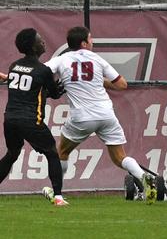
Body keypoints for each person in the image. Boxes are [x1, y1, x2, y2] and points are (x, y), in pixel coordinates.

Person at [44, 26, 157, 204]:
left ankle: (56, 191)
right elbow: (122, 84)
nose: (92, 42)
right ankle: (143, 176)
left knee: (62, 152)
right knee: (120, 157)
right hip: (106, 114)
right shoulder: (97, 59)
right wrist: (98, 80)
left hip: (82, 117)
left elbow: (41, 72)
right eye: (90, 39)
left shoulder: (61, 59)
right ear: (83, 43)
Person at [0, 28, 67, 206]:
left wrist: (47, 91)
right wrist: (59, 89)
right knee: (53, 153)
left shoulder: (14, 65)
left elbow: (32, 90)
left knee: (12, 154)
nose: (43, 41)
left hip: (10, 119)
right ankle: (58, 197)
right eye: (39, 40)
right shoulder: (43, 70)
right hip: (30, 119)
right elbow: (53, 93)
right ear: (33, 46)